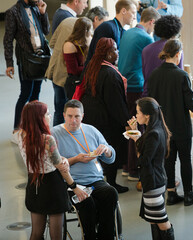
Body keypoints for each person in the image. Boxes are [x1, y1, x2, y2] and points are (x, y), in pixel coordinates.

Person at [18, 101, 87, 240]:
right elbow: (61, 168)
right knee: (57, 236)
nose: (50, 116)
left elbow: (45, 157)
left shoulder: (21, 135)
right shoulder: (48, 139)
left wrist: (61, 158)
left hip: (34, 184)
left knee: (36, 233)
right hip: (52, 187)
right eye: (47, 114)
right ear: (39, 118)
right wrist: (74, 187)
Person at [52, 99, 119, 240]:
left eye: (77, 116)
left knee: (111, 193)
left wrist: (107, 151)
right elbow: (53, 166)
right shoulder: (55, 134)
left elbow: (111, 158)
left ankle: (106, 235)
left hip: (95, 180)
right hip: (72, 184)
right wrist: (76, 159)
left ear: (82, 116)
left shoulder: (91, 130)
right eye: (70, 116)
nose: (73, 120)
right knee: (87, 202)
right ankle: (90, 236)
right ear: (64, 115)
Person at [148, 39, 193, 206]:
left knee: (168, 160)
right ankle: (188, 194)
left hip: (163, 126)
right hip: (181, 126)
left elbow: (152, 102)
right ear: (178, 54)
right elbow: (190, 105)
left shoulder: (154, 75)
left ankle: (170, 193)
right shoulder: (182, 75)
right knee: (185, 159)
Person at [79, 37, 129, 194]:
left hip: (90, 116)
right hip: (106, 121)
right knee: (109, 150)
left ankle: (97, 180)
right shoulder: (110, 74)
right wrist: (126, 122)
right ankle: (111, 183)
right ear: (107, 54)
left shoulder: (92, 67)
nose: (117, 52)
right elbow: (116, 104)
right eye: (114, 50)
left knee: (95, 151)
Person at [46, 7, 109, 126]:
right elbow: (74, 69)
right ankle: (58, 137)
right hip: (65, 79)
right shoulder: (71, 44)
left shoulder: (68, 23)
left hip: (62, 76)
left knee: (63, 110)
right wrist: (90, 66)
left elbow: (52, 43)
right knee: (62, 109)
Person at [118, 7, 160, 181]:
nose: (154, 29)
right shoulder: (146, 37)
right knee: (139, 127)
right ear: (151, 22)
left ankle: (127, 166)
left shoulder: (127, 32)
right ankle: (135, 169)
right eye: (155, 25)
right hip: (137, 85)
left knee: (131, 125)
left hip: (124, 83)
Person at [126, 97, 175, 240]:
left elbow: (144, 160)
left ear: (147, 115)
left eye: (138, 112)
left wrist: (136, 139)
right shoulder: (156, 128)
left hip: (153, 181)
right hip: (156, 179)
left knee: (161, 221)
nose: (136, 116)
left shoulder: (153, 133)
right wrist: (136, 133)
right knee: (154, 219)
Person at [4, 0, 50, 143]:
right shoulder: (13, 12)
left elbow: (46, 31)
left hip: (40, 57)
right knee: (25, 93)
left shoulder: (36, 8)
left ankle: (33, 126)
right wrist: (9, 63)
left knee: (36, 94)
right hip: (26, 59)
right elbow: (8, 39)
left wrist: (43, 13)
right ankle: (16, 129)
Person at [141, 14, 183, 97]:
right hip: (168, 96)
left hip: (149, 95)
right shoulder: (176, 50)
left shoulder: (146, 50)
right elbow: (180, 76)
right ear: (175, 33)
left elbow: (145, 74)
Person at [85, 0, 137, 65]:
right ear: (123, 11)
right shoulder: (107, 27)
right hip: (96, 73)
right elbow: (98, 57)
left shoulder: (124, 32)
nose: (135, 17)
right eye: (133, 13)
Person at [63, 17, 93, 99]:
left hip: (87, 79)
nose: (92, 32)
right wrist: (91, 68)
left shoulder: (89, 41)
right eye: (91, 30)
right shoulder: (69, 45)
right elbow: (74, 70)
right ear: (85, 31)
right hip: (75, 81)